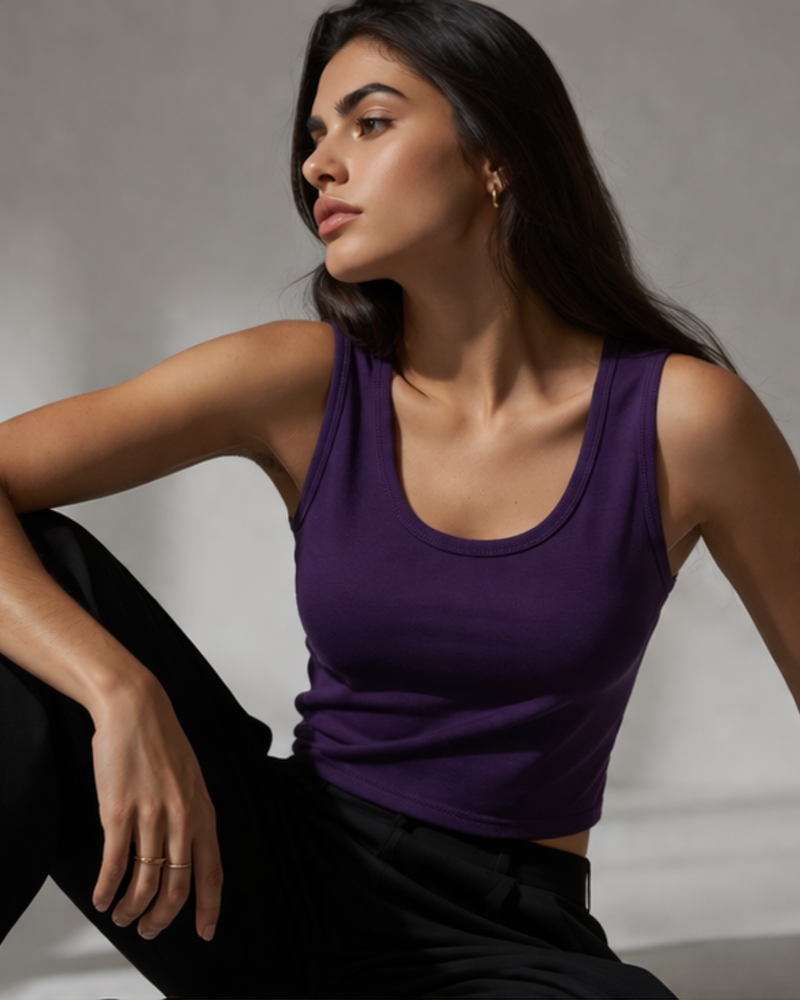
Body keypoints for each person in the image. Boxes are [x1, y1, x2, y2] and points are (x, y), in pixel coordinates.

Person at [1, 0, 798, 996]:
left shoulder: (682, 421)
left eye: (368, 122)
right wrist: (118, 688)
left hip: (500, 929)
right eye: (313, 135)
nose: (317, 164)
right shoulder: (302, 380)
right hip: (263, 877)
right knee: (41, 598)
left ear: (492, 150)